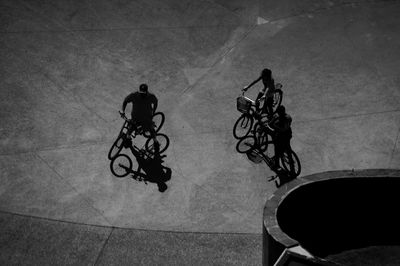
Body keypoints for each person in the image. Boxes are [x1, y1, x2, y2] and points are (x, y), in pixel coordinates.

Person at [121, 83, 159, 152]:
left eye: (144, 93)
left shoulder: (151, 96)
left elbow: (156, 102)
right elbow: (125, 101)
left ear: (146, 92)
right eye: (141, 93)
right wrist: (123, 111)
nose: (142, 95)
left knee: (151, 129)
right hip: (136, 118)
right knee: (130, 128)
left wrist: (153, 112)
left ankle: (156, 142)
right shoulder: (134, 95)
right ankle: (128, 139)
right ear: (139, 91)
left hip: (146, 118)